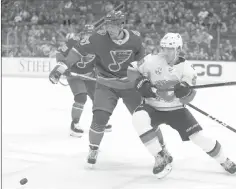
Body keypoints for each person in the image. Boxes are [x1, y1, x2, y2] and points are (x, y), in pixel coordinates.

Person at [48, 10, 172, 167]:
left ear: (121, 25)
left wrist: (146, 79)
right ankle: (93, 149)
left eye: (113, 25)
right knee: (99, 118)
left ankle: (162, 149)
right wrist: (61, 66)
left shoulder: (135, 38)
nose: (109, 28)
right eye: (107, 24)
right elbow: (77, 51)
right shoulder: (97, 38)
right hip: (106, 85)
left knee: (147, 119)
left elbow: (141, 62)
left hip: (130, 86)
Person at [128, 33, 236, 179]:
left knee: (199, 138)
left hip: (176, 109)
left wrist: (185, 92)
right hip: (152, 107)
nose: (165, 51)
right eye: (163, 48)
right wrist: (140, 82)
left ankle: (224, 160)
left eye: (169, 49)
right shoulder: (151, 60)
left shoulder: (187, 69)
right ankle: (160, 156)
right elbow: (131, 68)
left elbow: (189, 98)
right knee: (138, 118)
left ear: (178, 49)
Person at [49, 32, 112, 137]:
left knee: (98, 98)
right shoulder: (72, 43)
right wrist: (61, 69)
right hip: (75, 76)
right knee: (81, 97)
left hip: (89, 75)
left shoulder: (97, 44)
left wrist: (99, 71)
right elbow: (59, 54)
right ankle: (74, 124)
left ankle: (99, 123)